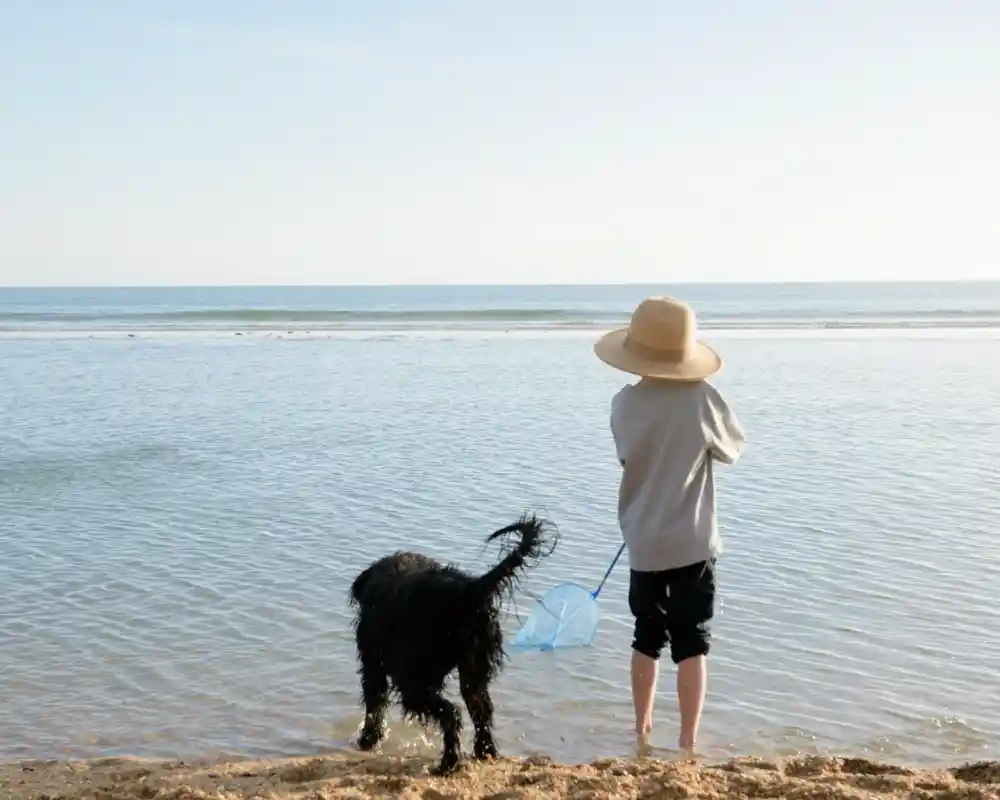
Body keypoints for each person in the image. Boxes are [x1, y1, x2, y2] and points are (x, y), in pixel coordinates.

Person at [593, 295, 745, 754]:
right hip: (693, 541)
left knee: (646, 635)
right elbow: (731, 449)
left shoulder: (624, 404)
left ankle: (641, 730)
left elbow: (627, 456)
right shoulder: (703, 398)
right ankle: (688, 739)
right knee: (693, 642)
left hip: (643, 541)